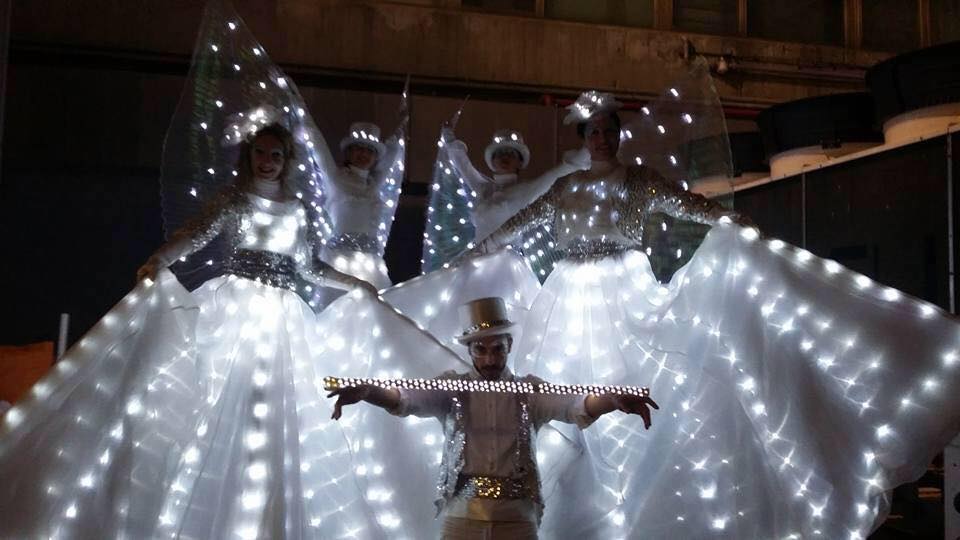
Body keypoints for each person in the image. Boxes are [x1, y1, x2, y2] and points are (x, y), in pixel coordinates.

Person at [327, 297, 658, 540]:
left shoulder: (529, 391)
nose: (489, 358)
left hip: (517, 520)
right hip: (462, 518)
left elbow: (576, 404)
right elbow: (405, 399)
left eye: (497, 349)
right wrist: (370, 392)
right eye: (480, 350)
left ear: (509, 346)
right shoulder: (451, 388)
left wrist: (611, 401)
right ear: (469, 351)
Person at [313, 120, 405, 306]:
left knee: (374, 311)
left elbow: (391, 158)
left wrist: (399, 131)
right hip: (338, 261)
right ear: (348, 152)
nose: (364, 154)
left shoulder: (374, 185)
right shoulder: (335, 178)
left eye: (370, 150)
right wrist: (303, 114)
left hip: (370, 263)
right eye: (359, 148)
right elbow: (318, 146)